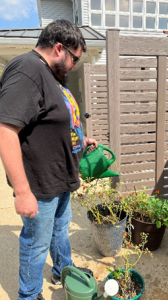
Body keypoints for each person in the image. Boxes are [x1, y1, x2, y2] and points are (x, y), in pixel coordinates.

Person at [0, 19, 97, 300]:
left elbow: (53, 121)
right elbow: (6, 130)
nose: (74, 65)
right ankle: (29, 294)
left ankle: (62, 270)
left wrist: (80, 139)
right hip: (40, 183)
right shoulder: (28, 70)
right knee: (36, 242)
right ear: (58, 48)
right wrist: (22, 192)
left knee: (60, 230)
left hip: (60, 176)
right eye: (74, 58)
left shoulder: (51, 76)